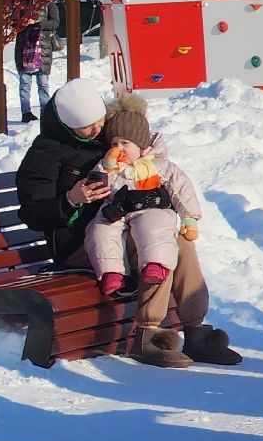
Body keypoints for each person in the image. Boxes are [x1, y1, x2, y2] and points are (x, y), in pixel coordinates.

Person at [15, 79, 242, 368]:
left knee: (179, 241)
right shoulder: (45, 153)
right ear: (67, 124)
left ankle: (195, 330)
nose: (98, 131)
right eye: (87, 126)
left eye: (100, 122)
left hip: (126, 224)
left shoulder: (107, 139)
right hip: (80, 241)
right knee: (155, 244)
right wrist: (72, 198)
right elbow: (33, 213)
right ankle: (147, 336)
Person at [83, 92, 203, 313]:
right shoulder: (110, 165)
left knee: (154, 228)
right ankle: (112, 273)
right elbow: (96, 185)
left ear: (140, 145)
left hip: (150, 208)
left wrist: (190, 217)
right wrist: (105, 169)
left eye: (125, 143)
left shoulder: (158, 165)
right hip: (117, 211)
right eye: (114, 143)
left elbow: (181, 189)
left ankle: (155, 265)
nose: (118, 148)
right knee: (99, 230)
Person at [13, 6, 57, 124]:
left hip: (42, 49)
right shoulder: (21, 3)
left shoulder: (49, 3)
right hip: (24, 49)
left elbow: (55, 23)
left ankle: (45, 112)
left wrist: (39, 24)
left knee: (43, 84)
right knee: (25, 84)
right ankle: (26, 112)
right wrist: (24, 22)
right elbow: (13, 23)